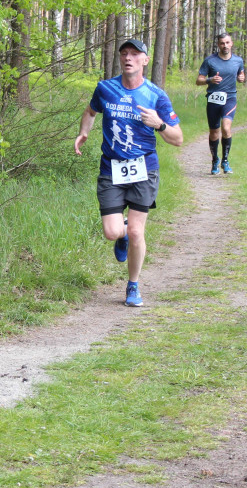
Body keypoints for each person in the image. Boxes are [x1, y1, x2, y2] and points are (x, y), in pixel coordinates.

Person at [74, 39, 183, 307]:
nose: (128, 58)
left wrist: (159, 124)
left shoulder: (156, 96)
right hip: (111, 168)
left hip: (143, 168)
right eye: (124, 54)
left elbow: (178, 138)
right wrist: (84, 132)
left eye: (135, 54)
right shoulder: (106, 88)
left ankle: (133, 286)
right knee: (113, 232)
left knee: (137, 231)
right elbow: (90, 111)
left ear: (145, 60)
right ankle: (121, 234)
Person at [197, 32, 245, 175]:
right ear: (218, 45)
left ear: (231, 44)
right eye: (222, 43)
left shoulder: (238, 60)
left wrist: (241, 78)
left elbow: (241, 75)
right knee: (214, 132)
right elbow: (198, 80)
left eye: (227, 42)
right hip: (213, 99)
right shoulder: (210, 61)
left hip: (230, 98)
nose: (225, 45)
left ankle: (225, 160)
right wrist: (209, 80)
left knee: (226, 128)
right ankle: (215, 160)